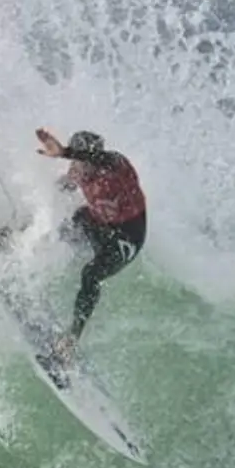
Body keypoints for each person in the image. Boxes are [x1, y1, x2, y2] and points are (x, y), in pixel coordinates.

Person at [35, 127, 147, 362]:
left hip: (127, 237)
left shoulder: (116, 166)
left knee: (91, 274)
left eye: (82, 160)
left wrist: (64, 152)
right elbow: (59, 189)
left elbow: (101, 158)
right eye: (75, 162)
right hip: (100, 225)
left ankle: (71, 341)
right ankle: (18, 245)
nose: (78, 167)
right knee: (71, 223)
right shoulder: (77, 172)